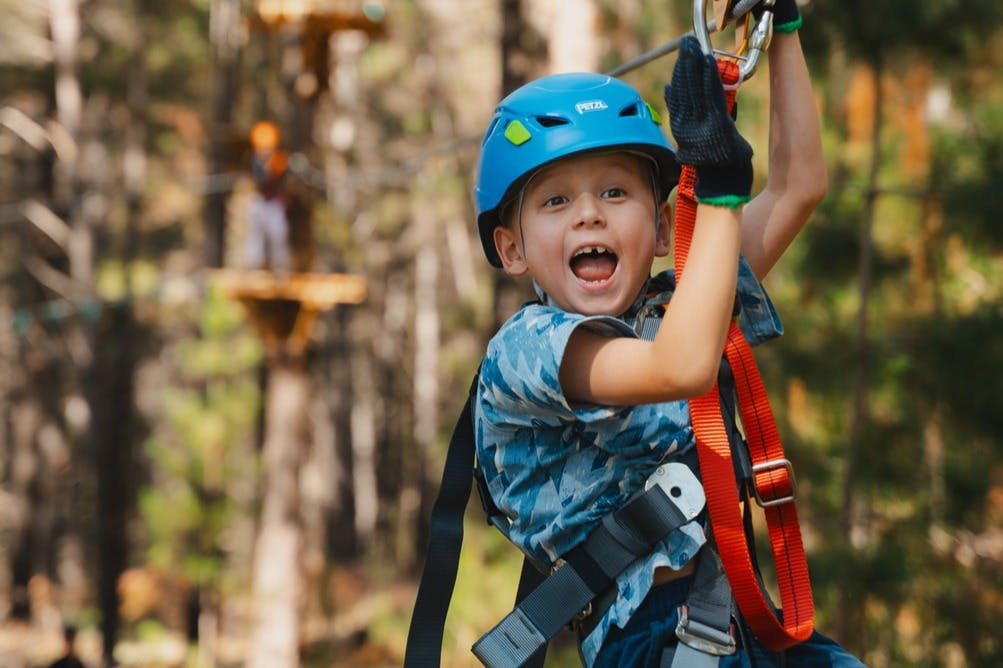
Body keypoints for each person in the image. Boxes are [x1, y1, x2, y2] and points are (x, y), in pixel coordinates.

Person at [472, 2, 866, 666]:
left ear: (659, 231)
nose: (589, 217)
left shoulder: (678, 303)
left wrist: (783, 33)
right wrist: (714, 188)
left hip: (737, 619)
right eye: (556, 201)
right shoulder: (527, 350)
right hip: (648, 643)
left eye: (615, 194)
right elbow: (677, 367)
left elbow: (798, 185)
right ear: (511, 249)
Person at [245, 120, 292, 275]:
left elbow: (283, 180)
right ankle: (255, 266)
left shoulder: (280, 159)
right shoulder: (254, 161)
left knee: (278, 234)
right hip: (260, 202)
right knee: (255, 236)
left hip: (274, 204)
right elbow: (257, 181)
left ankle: (280, 268)